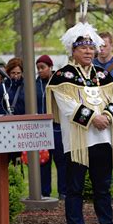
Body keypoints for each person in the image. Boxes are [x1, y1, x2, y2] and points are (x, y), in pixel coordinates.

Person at [46, 22, 113, 224]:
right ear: (73, 50)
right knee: (74, 189)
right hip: (77, 142)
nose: (89, 51)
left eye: (91, 48)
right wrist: (93, 119)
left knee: (103, 187)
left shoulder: (103, 75)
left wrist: (108, 116)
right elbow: (67, 106)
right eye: (83, 48)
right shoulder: (62, 76)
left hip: (103, 139)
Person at [36, 55, 67, 199]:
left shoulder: (58, 83)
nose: (40, 71)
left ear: (50, 67)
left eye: (43, 67)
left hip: (57, 128)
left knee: (61, 160)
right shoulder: (34, 85)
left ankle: (63, 191)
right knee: (44, 161)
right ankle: (44, 192)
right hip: (42, 129)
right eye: (38, 68)